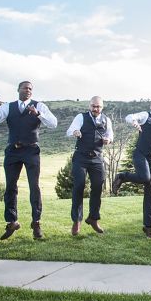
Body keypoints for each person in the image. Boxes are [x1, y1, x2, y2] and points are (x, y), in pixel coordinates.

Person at [0, 81, 58, 240]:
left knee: (34, 187)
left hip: (31, 150)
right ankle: (11, 222)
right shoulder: (8, 107)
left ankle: (36, 222)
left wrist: (38, 114)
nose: (28, 90)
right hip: (13, 151)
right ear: (18, 90)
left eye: (31, 88)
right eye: (25, 88)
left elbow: (53, 124)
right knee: (10, 187)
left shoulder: (40, 106)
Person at [111, 97, 151, 239]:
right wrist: (134, 121)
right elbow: (130, 116)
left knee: (150, 192)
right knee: (145, 177)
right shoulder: (145, 116)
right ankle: (122, 176)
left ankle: (148, 227)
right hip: (141, 154)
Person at [65, 96, 113, 236]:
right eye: (93, 106)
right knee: (79, 186)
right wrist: (75, 132)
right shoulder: (81, 117)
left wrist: (108, 140)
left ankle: (93, 218)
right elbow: (70, 130)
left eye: (98, 107)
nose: (95, 109)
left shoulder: (106, 120)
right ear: (89, 106)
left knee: (98, 186)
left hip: (97, 158)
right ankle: (77, 220)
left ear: (102, 107)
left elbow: (111, 135)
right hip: (81, 157)